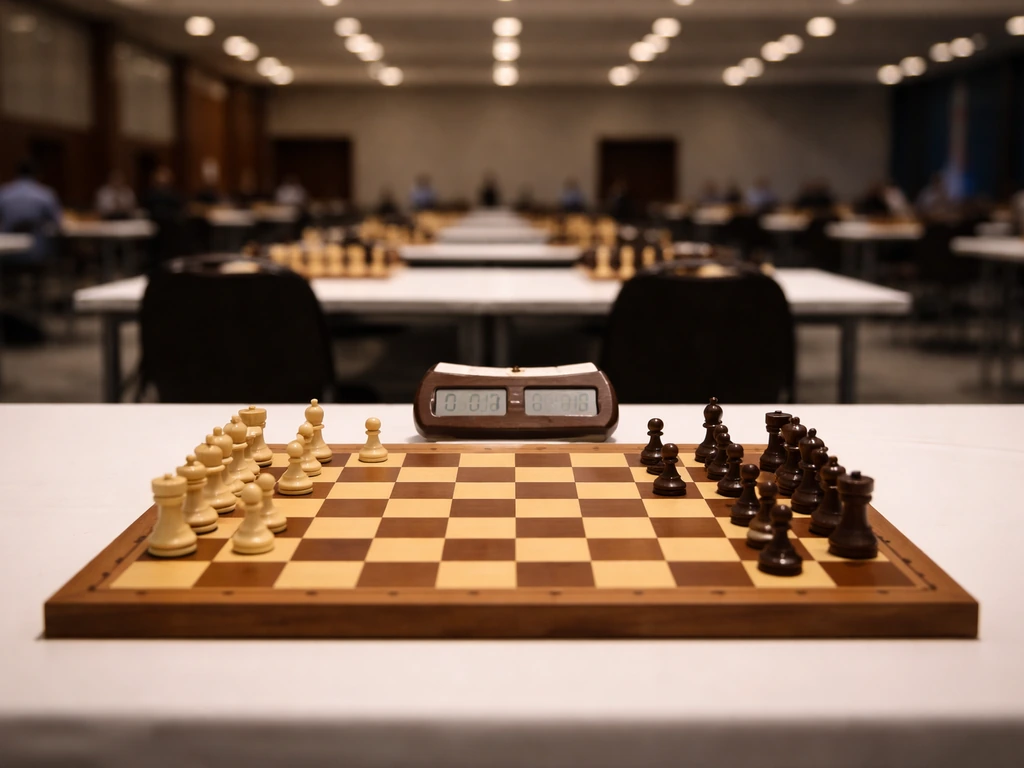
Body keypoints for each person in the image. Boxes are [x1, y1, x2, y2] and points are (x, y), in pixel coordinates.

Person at [0, 160, 62, 261]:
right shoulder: (46, 194)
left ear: (16, 173)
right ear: (38, 175)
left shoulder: (3, 193)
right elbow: (57, 223)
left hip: (7, 250)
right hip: (37, 249)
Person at [140, 166, 186, 268]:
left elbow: (181, 209)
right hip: (156, 233)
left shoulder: (174, 195)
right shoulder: (152, 195)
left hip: (171, 234)